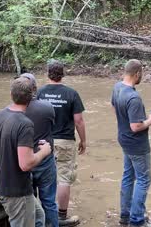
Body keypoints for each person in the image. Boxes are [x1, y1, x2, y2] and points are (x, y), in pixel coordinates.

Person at [0, 76, 51, 227]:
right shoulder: (25, 124)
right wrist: (44, 151)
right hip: (18, 191)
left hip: (3, 186)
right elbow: (26, 164)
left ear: (11, 94)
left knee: (39, 216)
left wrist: (1, 170)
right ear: (31, 98)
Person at [36, 60, 86, 226]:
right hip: (65, 141)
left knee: (43, 177)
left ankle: (41, 213)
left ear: (48, 73)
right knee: (64, 178)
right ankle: (62, 216)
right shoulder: (71, 93)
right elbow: (78, 121)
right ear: (63, 74)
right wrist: (83, 141)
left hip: (44, 141)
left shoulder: (40, 93)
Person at [111, 59, 151, 226]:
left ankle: (125, 215)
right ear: (137, 73)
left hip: (123, 139)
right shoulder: (133, 97)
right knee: (144, 180)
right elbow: (136, 126)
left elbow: (114, 108)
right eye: (142, 74)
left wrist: (133, 120)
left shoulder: (117, 88)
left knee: (128, 176)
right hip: (137, 144)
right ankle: (137, 219)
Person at [22, 73, 59, 227]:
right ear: (35, 89)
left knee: (30, 204)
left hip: (26, 160)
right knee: (49, 202)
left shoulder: (16, 110)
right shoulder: (47, 107)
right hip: (45, 159)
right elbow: (52, 126)